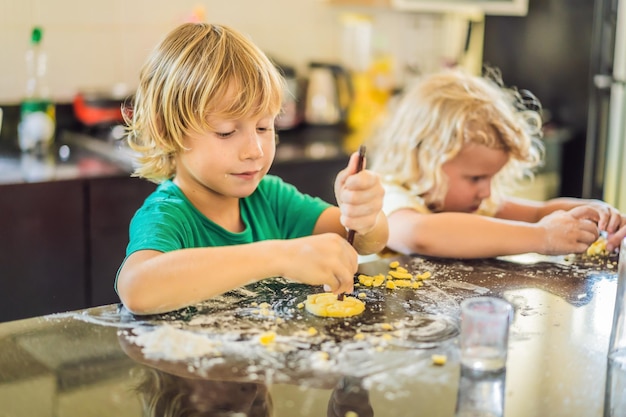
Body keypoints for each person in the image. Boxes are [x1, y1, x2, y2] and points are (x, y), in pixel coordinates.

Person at [115, 22, 388, 315]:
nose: (254, 151)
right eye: (226, 132)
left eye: (263, 127)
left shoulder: (270, 199)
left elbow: (367, 242)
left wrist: (364, 216)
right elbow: (137, 289)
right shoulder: (168, 215)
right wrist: (277, 256)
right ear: (167, 130)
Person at [367, 68, 626, 259]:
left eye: (491, 177)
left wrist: (597, 213)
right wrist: (542, 237)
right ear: (427, 161)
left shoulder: (474, 204)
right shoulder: (388, 198)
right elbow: (419, 234)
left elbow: (538, 213)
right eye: (476, 178)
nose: (487, 192)